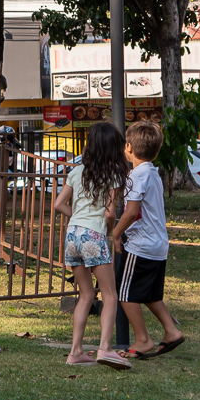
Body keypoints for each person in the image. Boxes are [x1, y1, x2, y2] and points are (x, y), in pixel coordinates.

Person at [52, 120, 132, 370]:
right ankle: (105, 349)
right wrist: (108, 231)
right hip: (93, 236)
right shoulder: (114, 176)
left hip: (72, 235)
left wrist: (77, 216)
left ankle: (75, 351)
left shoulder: (76, 171)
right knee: (110, 296)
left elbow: (58, 204)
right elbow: (109, 214)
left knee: (85, 294)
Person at [113, 120, 186, 360]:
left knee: (124, 293)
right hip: (158, 244)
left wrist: (114, 234)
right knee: (151, 294)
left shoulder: (136, 175)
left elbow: (132, 211)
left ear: (129, 147)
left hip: (141, 245)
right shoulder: (153, 173)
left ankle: (143, 339)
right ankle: (171, 330)